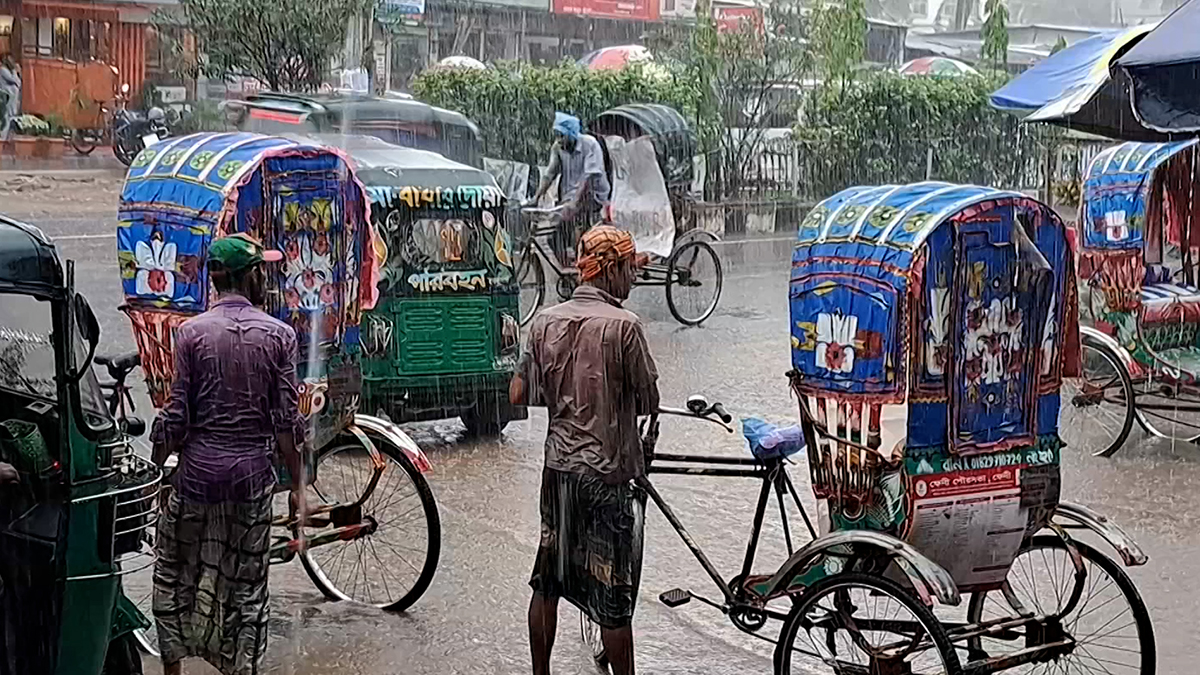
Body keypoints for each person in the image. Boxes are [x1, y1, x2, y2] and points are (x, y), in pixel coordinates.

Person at [150, 233, 305, 675]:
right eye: (262, 270)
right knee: (246, 590)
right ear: (251, 275)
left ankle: (174, 670)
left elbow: (176, 416)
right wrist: (297, 486)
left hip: (196, 479)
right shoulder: (280, 336)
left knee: (175, 576)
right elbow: (287, 423)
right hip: (252, 483)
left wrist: (157, 465)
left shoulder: (191, 334)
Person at [510, 225, 660, 675]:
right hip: (607, 476)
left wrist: (563, 388)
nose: (633, 279)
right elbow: (649, 400)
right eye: (629, 269)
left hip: (558, 472)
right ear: (610, 271)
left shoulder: (544, 322)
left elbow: (519, 393)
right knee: (614, 594)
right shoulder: (625, 327)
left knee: (548, 580)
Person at [530, 112, 612, 265]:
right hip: (569, 197)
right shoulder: (558, 148)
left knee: (578, 231)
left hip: (593, 196)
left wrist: (574, 203)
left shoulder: (590, 144)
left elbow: (588, 178)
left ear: (572, 134)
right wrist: (536, 197)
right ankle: (568, 271)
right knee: (553, 237)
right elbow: (550, 174)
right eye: (557, 135)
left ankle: (584, 265)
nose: (559, 140)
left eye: (562, 136)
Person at [0, 56, 19, 142]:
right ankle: (3, 137)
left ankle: (8, 137)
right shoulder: (3, 70)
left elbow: (18, 82)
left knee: (12, 116)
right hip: (7, 95)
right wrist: (15, 71)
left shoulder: (9, 71)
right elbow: (13, 80)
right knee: (7, 116)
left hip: (13, 96)